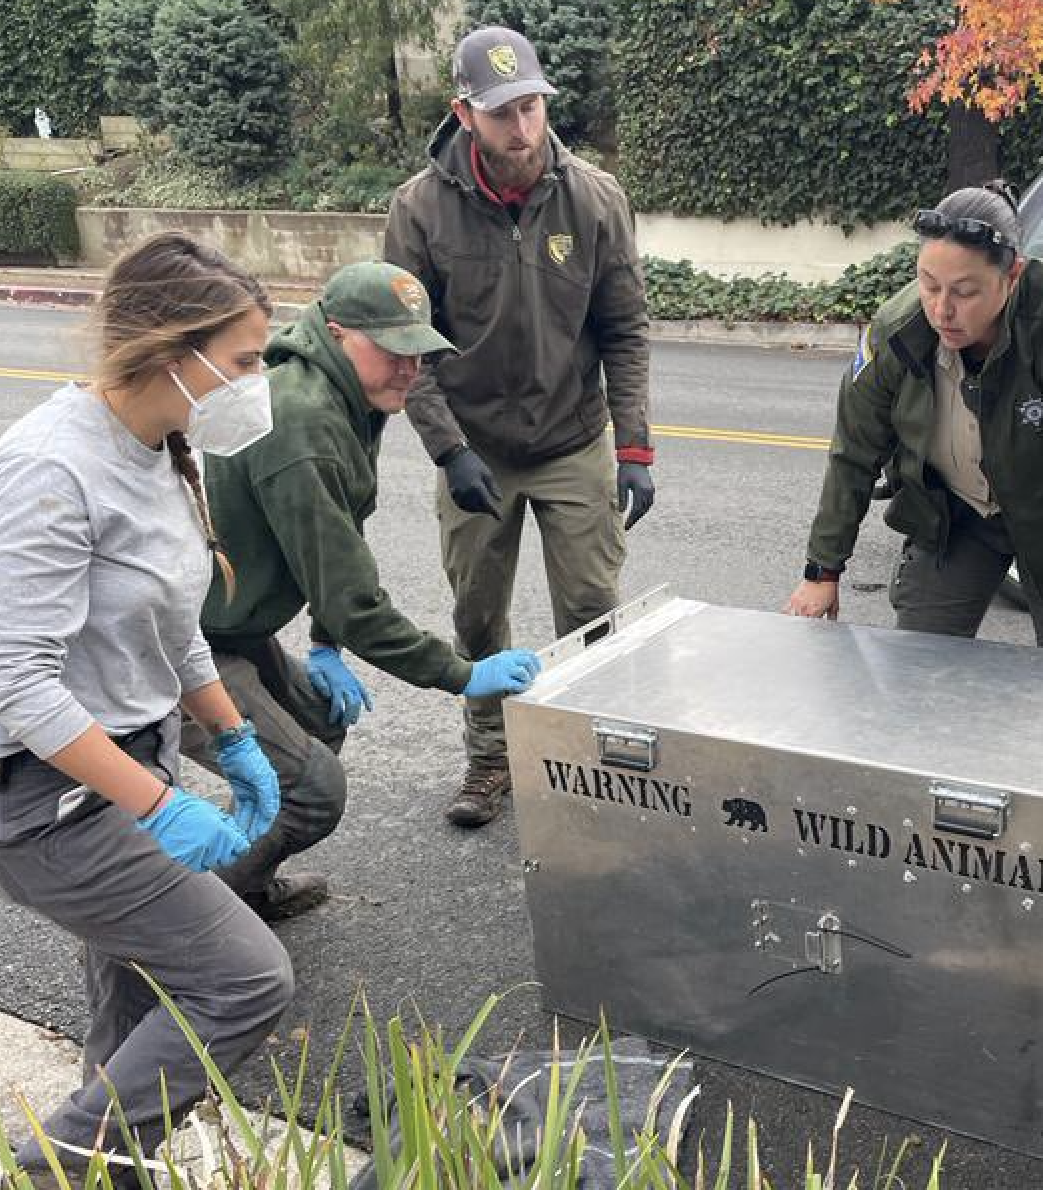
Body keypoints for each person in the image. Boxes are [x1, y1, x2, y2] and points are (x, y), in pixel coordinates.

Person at [0, 232, 294, 1176]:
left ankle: (110, 1164)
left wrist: (234, 736)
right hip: (46, 794)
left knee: (138, 995)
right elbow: (18, 684)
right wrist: (157, 804)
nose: (258, 382)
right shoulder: (52, 467)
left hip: (135, 749)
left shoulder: (160, 444)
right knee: (245, 981)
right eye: (247, 361)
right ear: (177, 352)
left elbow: (174, 622)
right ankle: (53, 1164)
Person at [181, 260, 545, 919]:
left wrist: (324, 644)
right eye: (393, 352)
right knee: (312, 792)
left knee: (318, 721)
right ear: (338, 331)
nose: (410, 370)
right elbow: (354, 599)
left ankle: (241, 869)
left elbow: (336, 535)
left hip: (233, 627)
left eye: (418, 354)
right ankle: (201, 925)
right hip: (182, 645)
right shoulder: (303, 420)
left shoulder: (348, 397)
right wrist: (459, 673)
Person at [384, 25, 654, 828]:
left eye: (532, 106)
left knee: (594, 610)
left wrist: (633, 447)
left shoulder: (595, 196)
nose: (522, 126)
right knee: (476, 616)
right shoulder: (420, 209)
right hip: (477, 448)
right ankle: (491, 759)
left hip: (574, 438)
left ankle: (588, 766)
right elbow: (408, 345)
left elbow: (626, 328)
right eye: (502, 112)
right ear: (464, 113)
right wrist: (449, 449)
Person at [786, 183, 1043, 654]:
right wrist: (821, 571)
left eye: (965, 292)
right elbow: (854, 451)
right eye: (929, 284)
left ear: (1013, 274)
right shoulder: (898, 332)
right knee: (917, 671)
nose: (941, 310)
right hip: (957, 515)